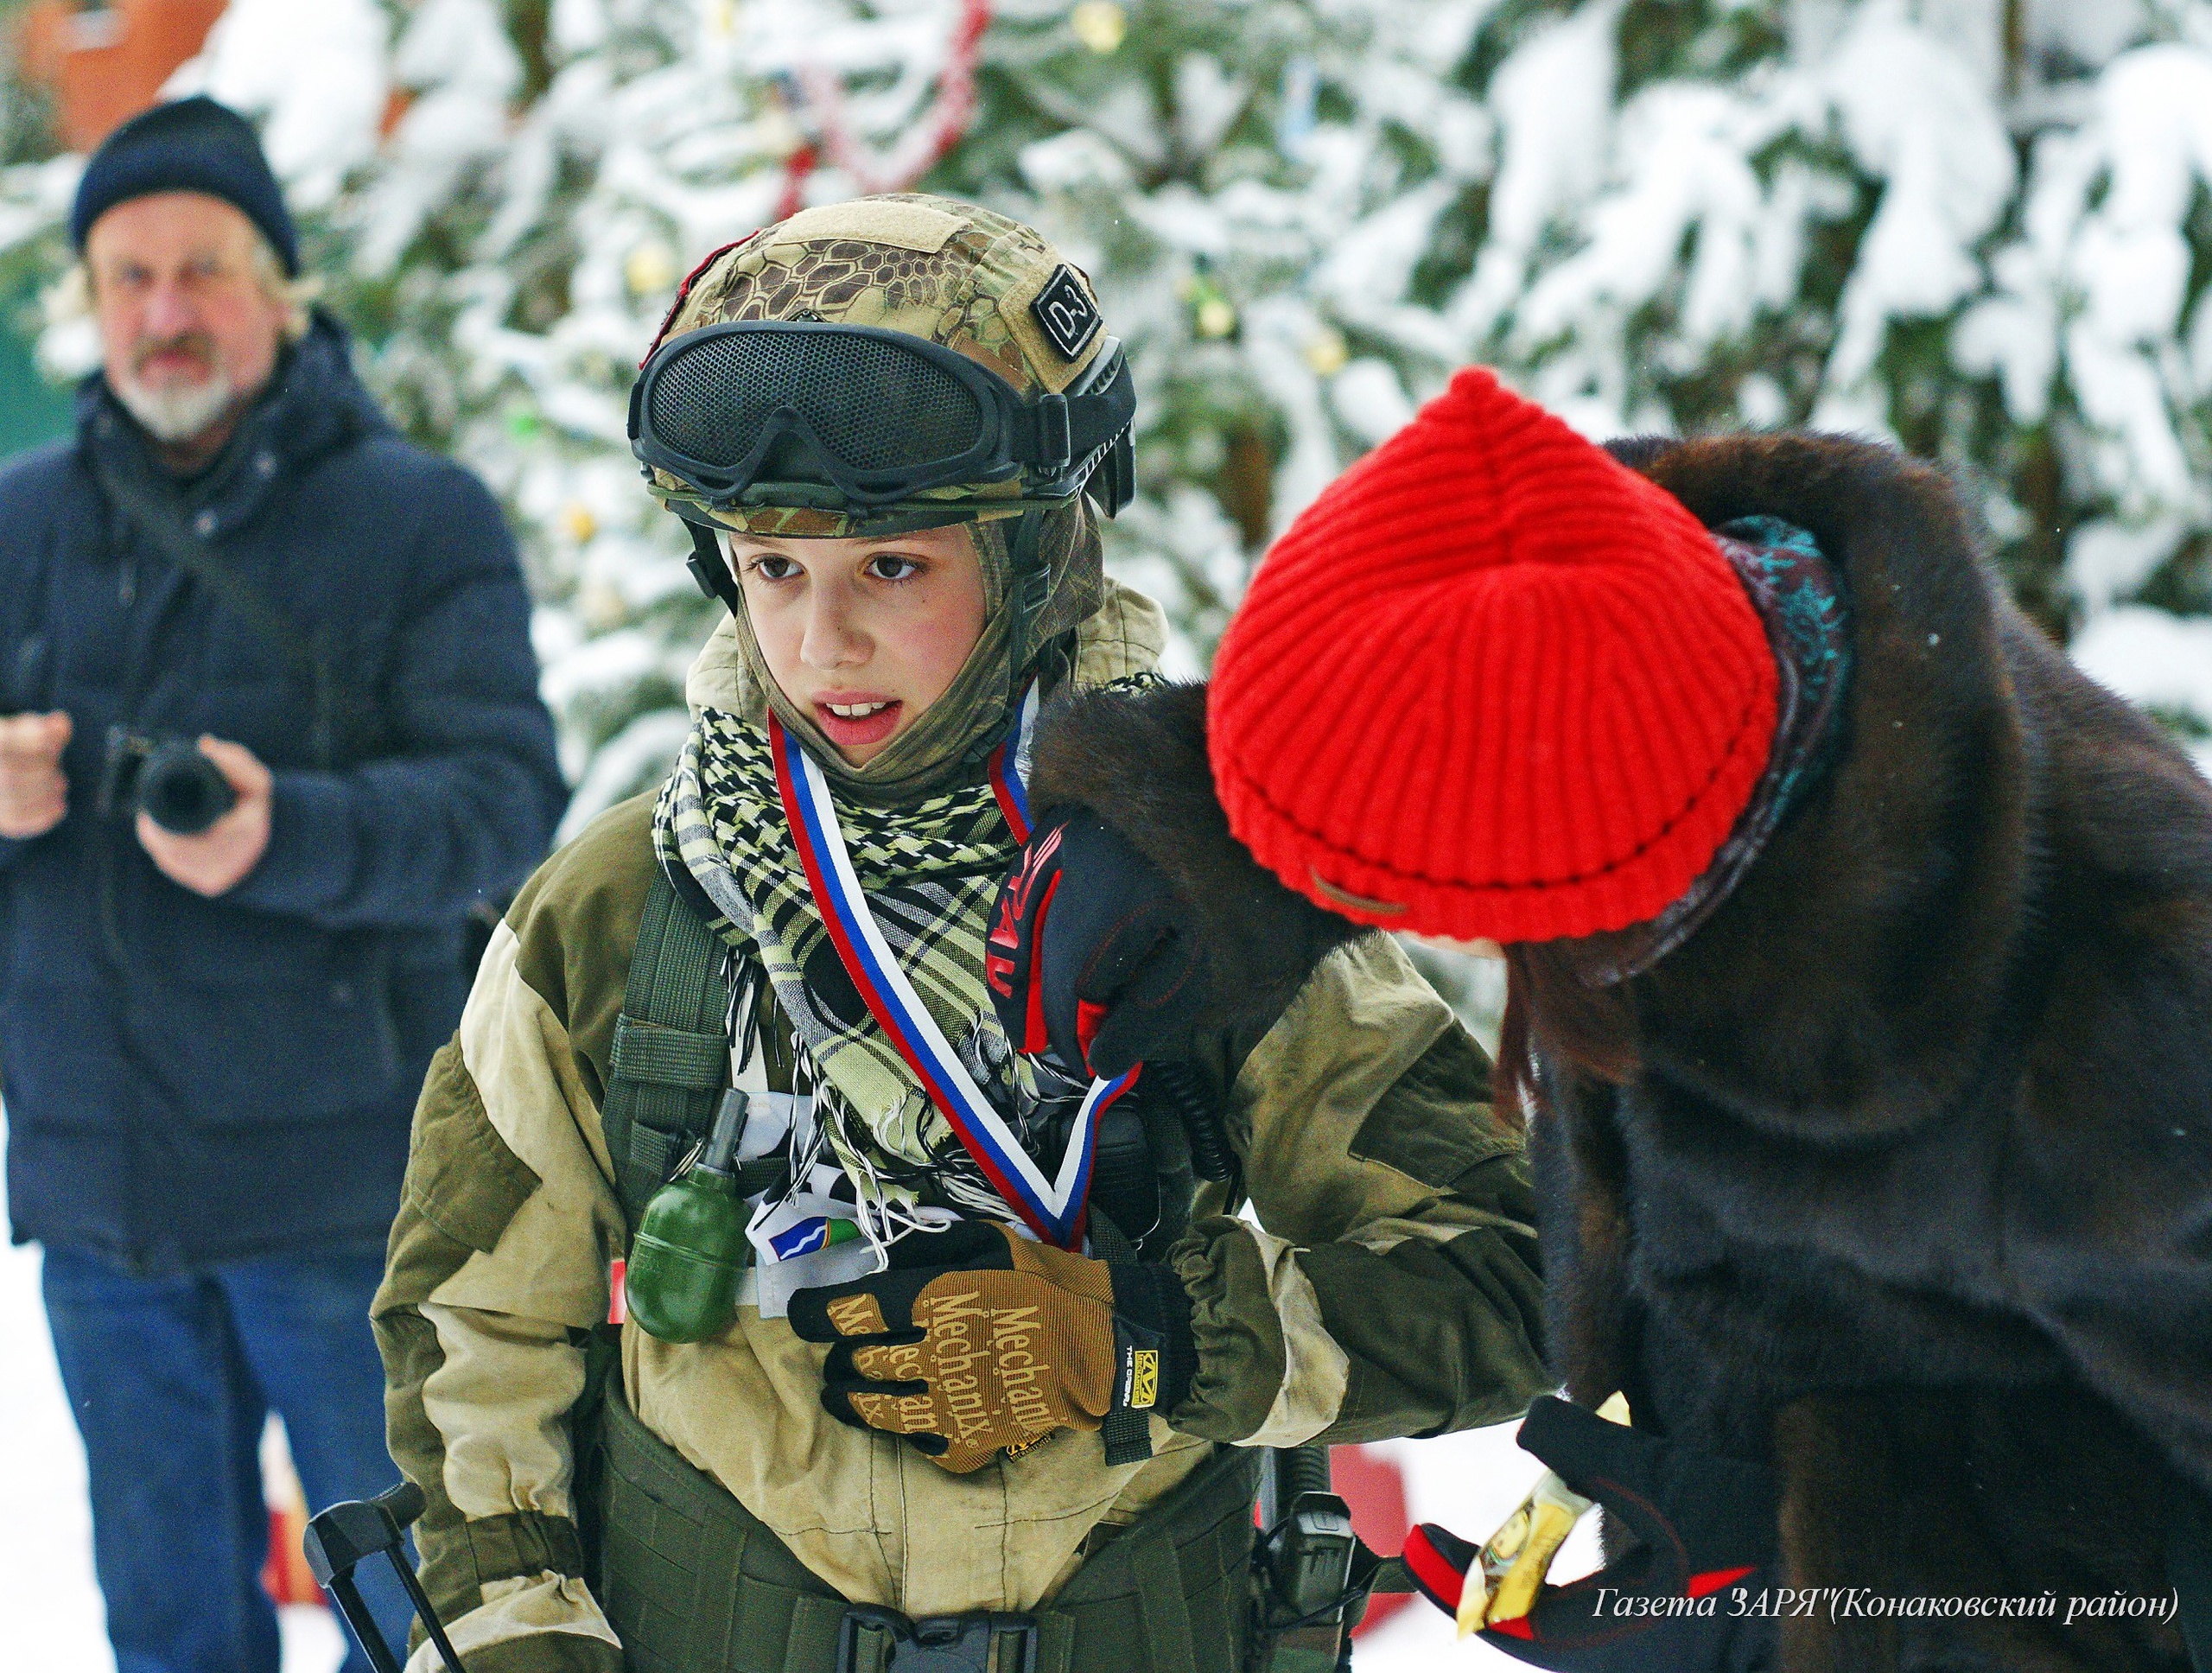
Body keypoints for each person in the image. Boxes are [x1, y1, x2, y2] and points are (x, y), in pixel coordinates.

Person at [371, 194, 1551, 1673]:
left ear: (1036, 562)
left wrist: (1152, 1340)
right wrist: (511, 1637)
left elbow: (1515, 1266)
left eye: (895, 568)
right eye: (771, 568)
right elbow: (470, 1327)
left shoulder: (1201, 898)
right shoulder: (621, 914)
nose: (820, 642)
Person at [992, 366, 2212, 1672]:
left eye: (1392, 885)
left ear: (1587, 901)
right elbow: (1456, 675)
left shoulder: (2110, 1048)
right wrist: (1210, 825)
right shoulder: (1677, 642)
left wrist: (1826, 1593)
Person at [0, 96, 566, 1673]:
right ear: (86, 302)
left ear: (279, 291)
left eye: (202, 270)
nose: (163, 312)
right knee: (169, 1632)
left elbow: (506, 804)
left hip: (349, 1208)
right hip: (100, 1201)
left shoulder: (416, 517)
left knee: (425, 1626)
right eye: (127, 277)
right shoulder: (15, 525)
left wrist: (287, 835)